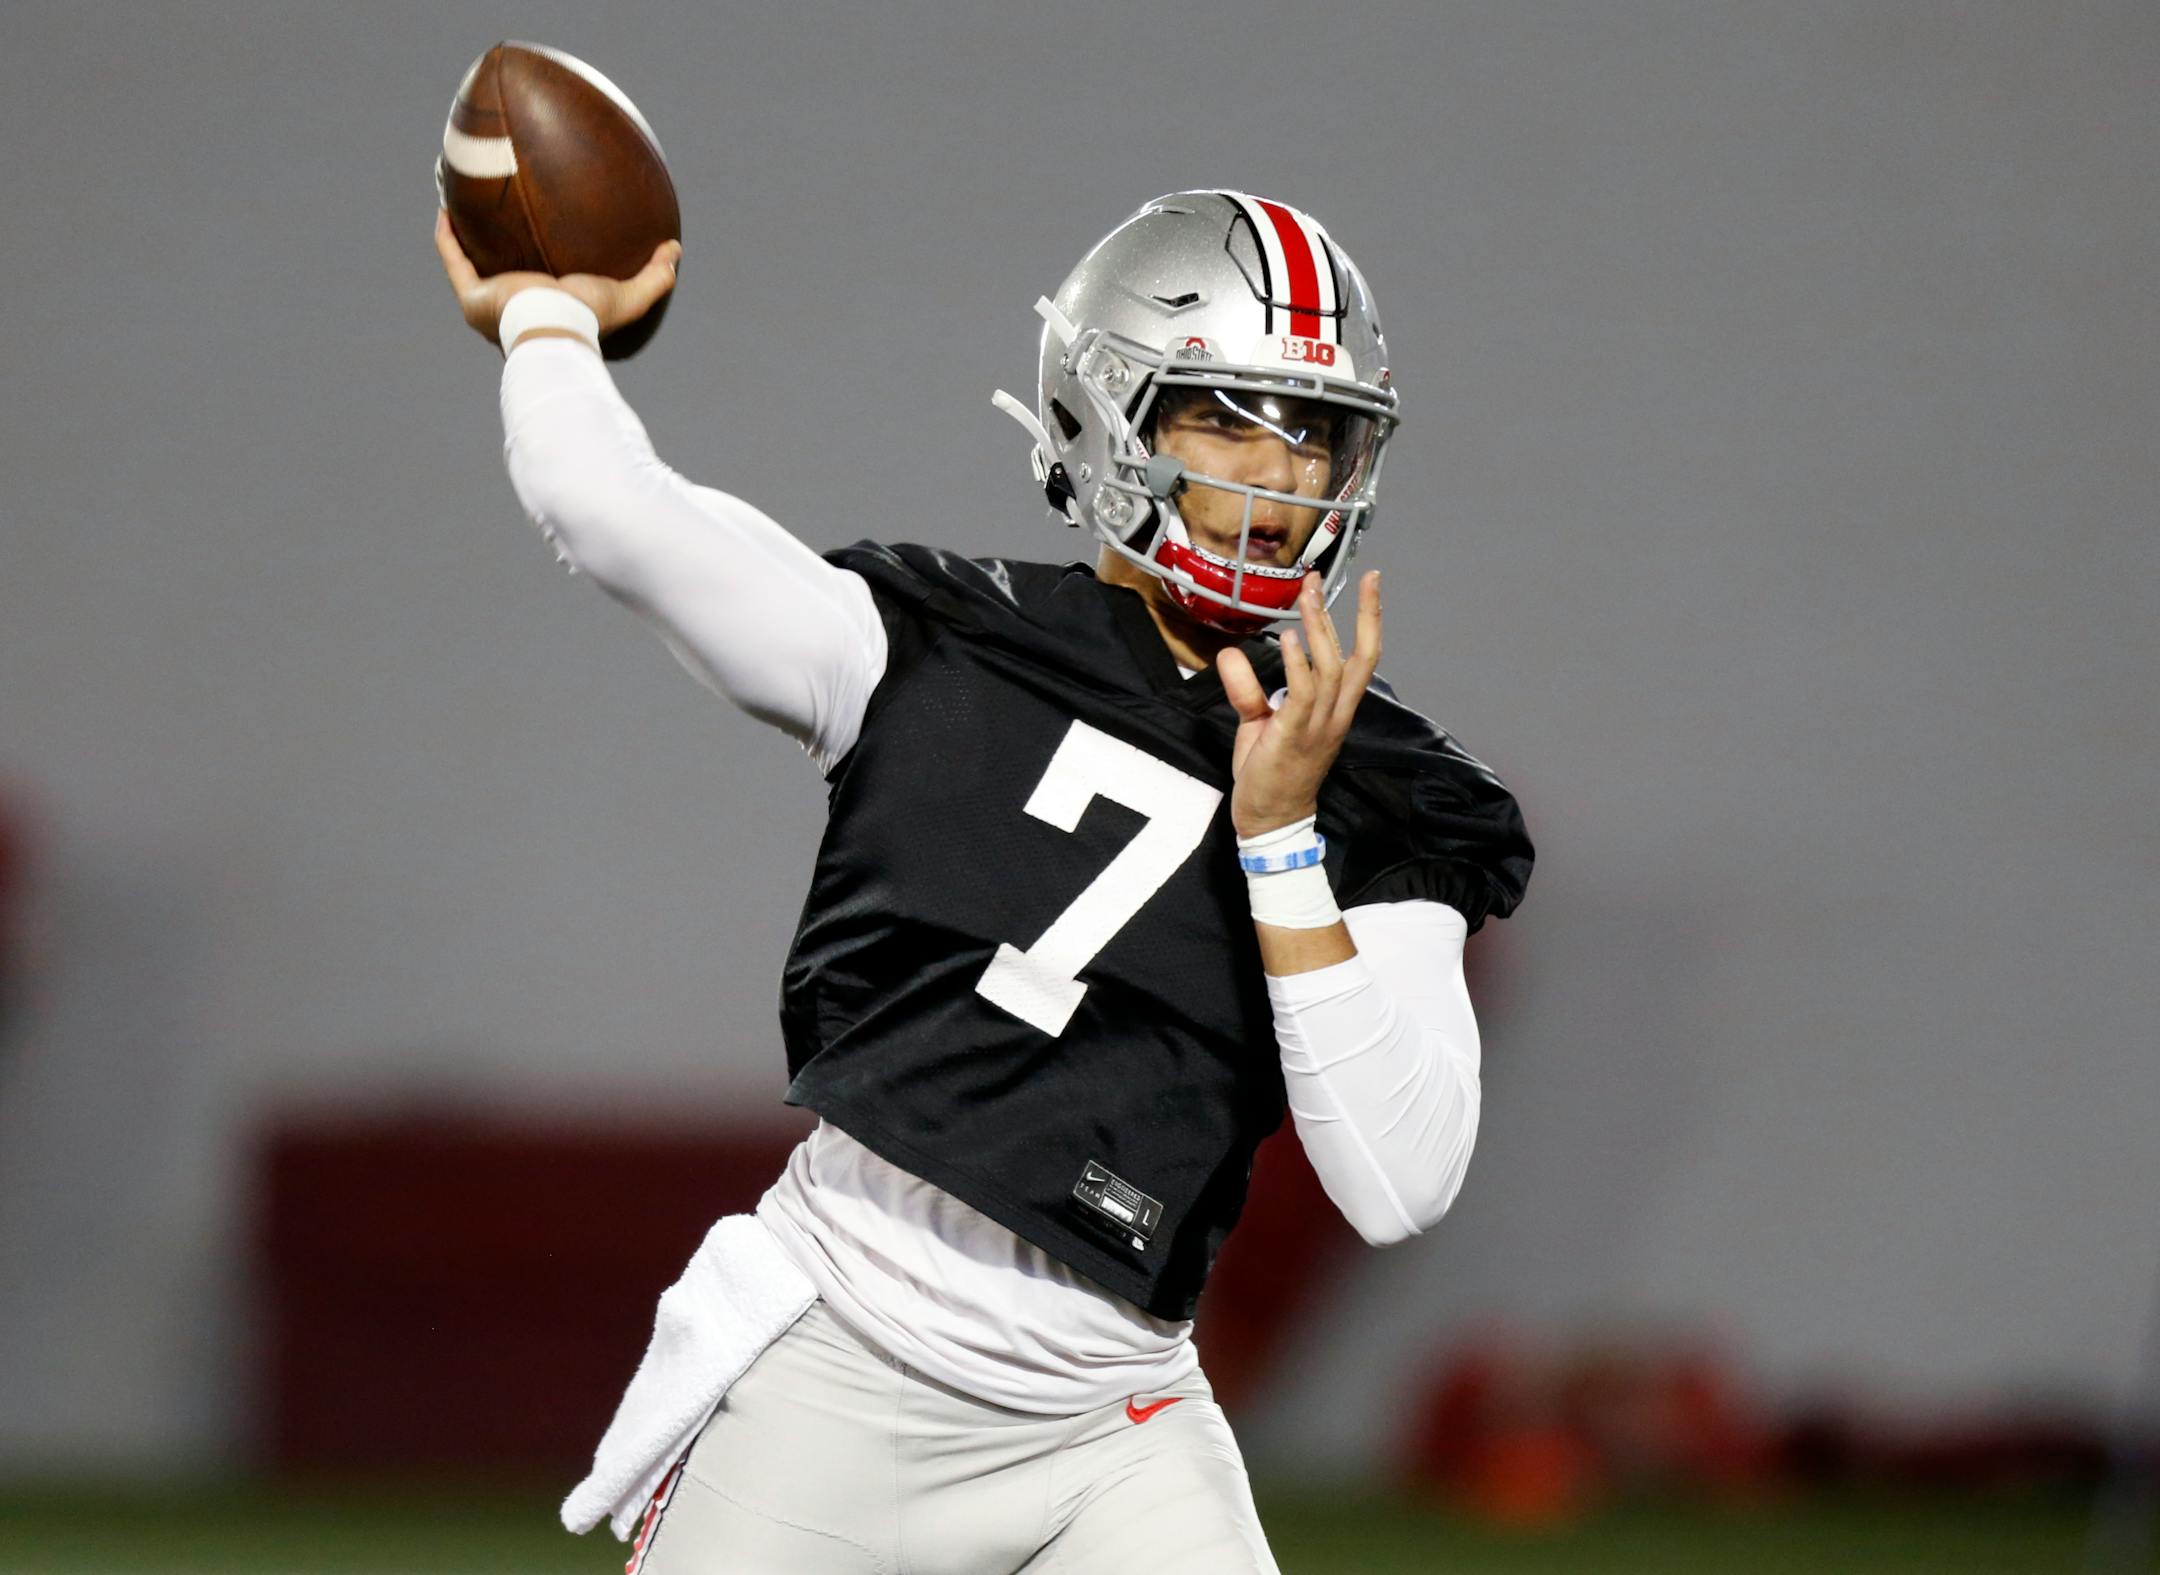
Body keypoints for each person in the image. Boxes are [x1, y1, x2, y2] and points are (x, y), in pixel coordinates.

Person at [435, 189, 1532, 1575]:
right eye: (1231, 416)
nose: (1287, 472)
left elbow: (1399, 1179)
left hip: (1111, 1418)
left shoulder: (1384, 783)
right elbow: (607, 512)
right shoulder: (936, 641)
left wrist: (1281, 839)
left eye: (1317, 430)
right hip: (841, 1356)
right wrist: (544, 310)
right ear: (1112, 413)